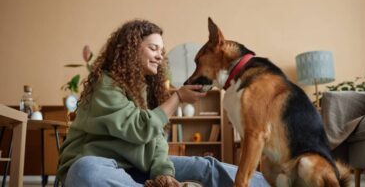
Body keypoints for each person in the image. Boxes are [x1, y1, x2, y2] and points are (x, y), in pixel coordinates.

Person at [57, 19, 268, 187]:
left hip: (137, 168)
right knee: (85, 172)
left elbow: (156, 143)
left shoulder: (148, 90)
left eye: (161, 51)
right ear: (131, 49)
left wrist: (164, 176)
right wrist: (177, 98)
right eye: (153, 48)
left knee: (206, 166)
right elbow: (139, 129)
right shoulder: (106, 84)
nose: (160, 56)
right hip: (100, 163)